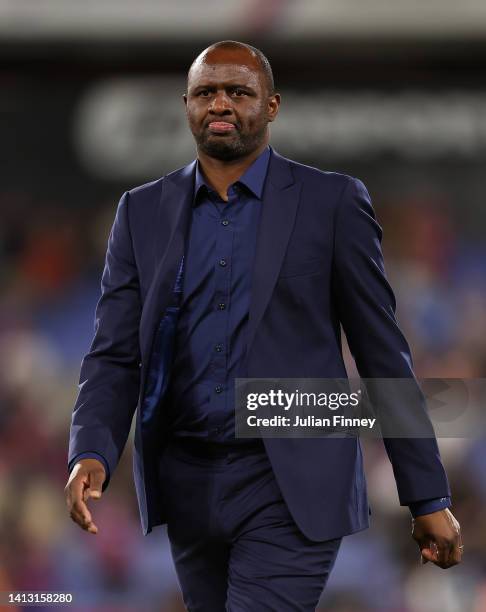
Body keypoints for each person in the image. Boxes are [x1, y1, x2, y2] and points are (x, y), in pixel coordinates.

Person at [65, 41, 462, 610]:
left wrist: (426, 495)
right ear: (186, 106)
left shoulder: (333, 202)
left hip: (293, 483)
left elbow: (382, 354)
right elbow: (114, 353)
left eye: (238, 92)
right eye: (206, 92)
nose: (220, 103)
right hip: (186, 486)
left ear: (271, 106)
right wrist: (91, 451)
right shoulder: (141, 211)